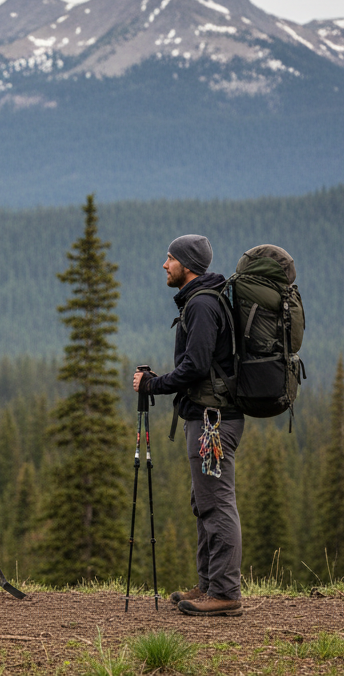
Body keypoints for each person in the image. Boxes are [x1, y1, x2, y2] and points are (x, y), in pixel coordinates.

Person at [131, 234, 244, 617]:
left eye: (170, 258)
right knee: (204, 501)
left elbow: (194, 367)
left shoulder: (201, 305)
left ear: (187, 264)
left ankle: (225, 593)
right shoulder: (204, 300)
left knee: (217, 503)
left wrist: (153, 384)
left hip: (213, 420)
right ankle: (209, 585)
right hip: (208, 416)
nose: (165, 265)